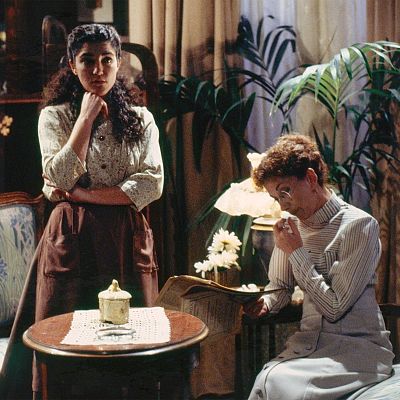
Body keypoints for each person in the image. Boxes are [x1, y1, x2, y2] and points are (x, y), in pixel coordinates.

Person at [0, 23, 163, 399]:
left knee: (134, 339)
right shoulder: (54, 117)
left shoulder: (142, 120)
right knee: (63, 338)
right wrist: (85, 119)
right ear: (72, 65)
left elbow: (151, 184)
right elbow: (58, 175)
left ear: (119, 62)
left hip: (127, 235)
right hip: (70, 235)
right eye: (87, 60)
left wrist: (82, 194)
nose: (98, 69)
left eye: (107, 59)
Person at [244, 134, 394, 400]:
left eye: (285, 192)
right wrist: (265, 304)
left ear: (311, 178)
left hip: (357, 349)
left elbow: (335, 308)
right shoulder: (291, 228)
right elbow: (280, 287)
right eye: (276, 198)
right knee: (266, 379)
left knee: (278, 383)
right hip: (307, 345)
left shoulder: (360, 226)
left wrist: (296, 251)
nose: (283, 205)